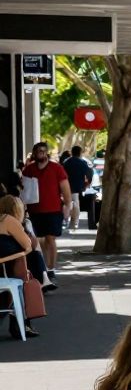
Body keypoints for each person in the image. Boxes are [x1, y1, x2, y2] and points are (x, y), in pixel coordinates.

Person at [21, 141, 71, 284]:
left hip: (53, 210)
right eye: (38, 151)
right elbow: (24, 189)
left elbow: (65, 187)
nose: (41, 153)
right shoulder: (29, 170)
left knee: (50, 239)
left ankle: (51, 268)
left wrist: (68, 204)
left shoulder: (57, 168)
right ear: (35, 153)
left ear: (47, 152)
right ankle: (43, 267)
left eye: (43, 151)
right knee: (39, 240)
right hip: (34, 211)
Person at [0, 194, 44, 337]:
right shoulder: (9, 220)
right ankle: (22, 325)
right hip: (6, 271)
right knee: (29, 266)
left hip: (5, 270)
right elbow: (28, 245)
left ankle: (20, 324)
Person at [62, 145, 93, 231]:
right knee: (75, 203)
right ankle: (75, 222)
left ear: (72, 152)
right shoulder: (83, 163)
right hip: (78, 186)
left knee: (67, 203)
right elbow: (89, 175)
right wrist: (86, 184)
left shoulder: (66, 162)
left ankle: (66, 220)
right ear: (80, 153)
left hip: (66, 186)